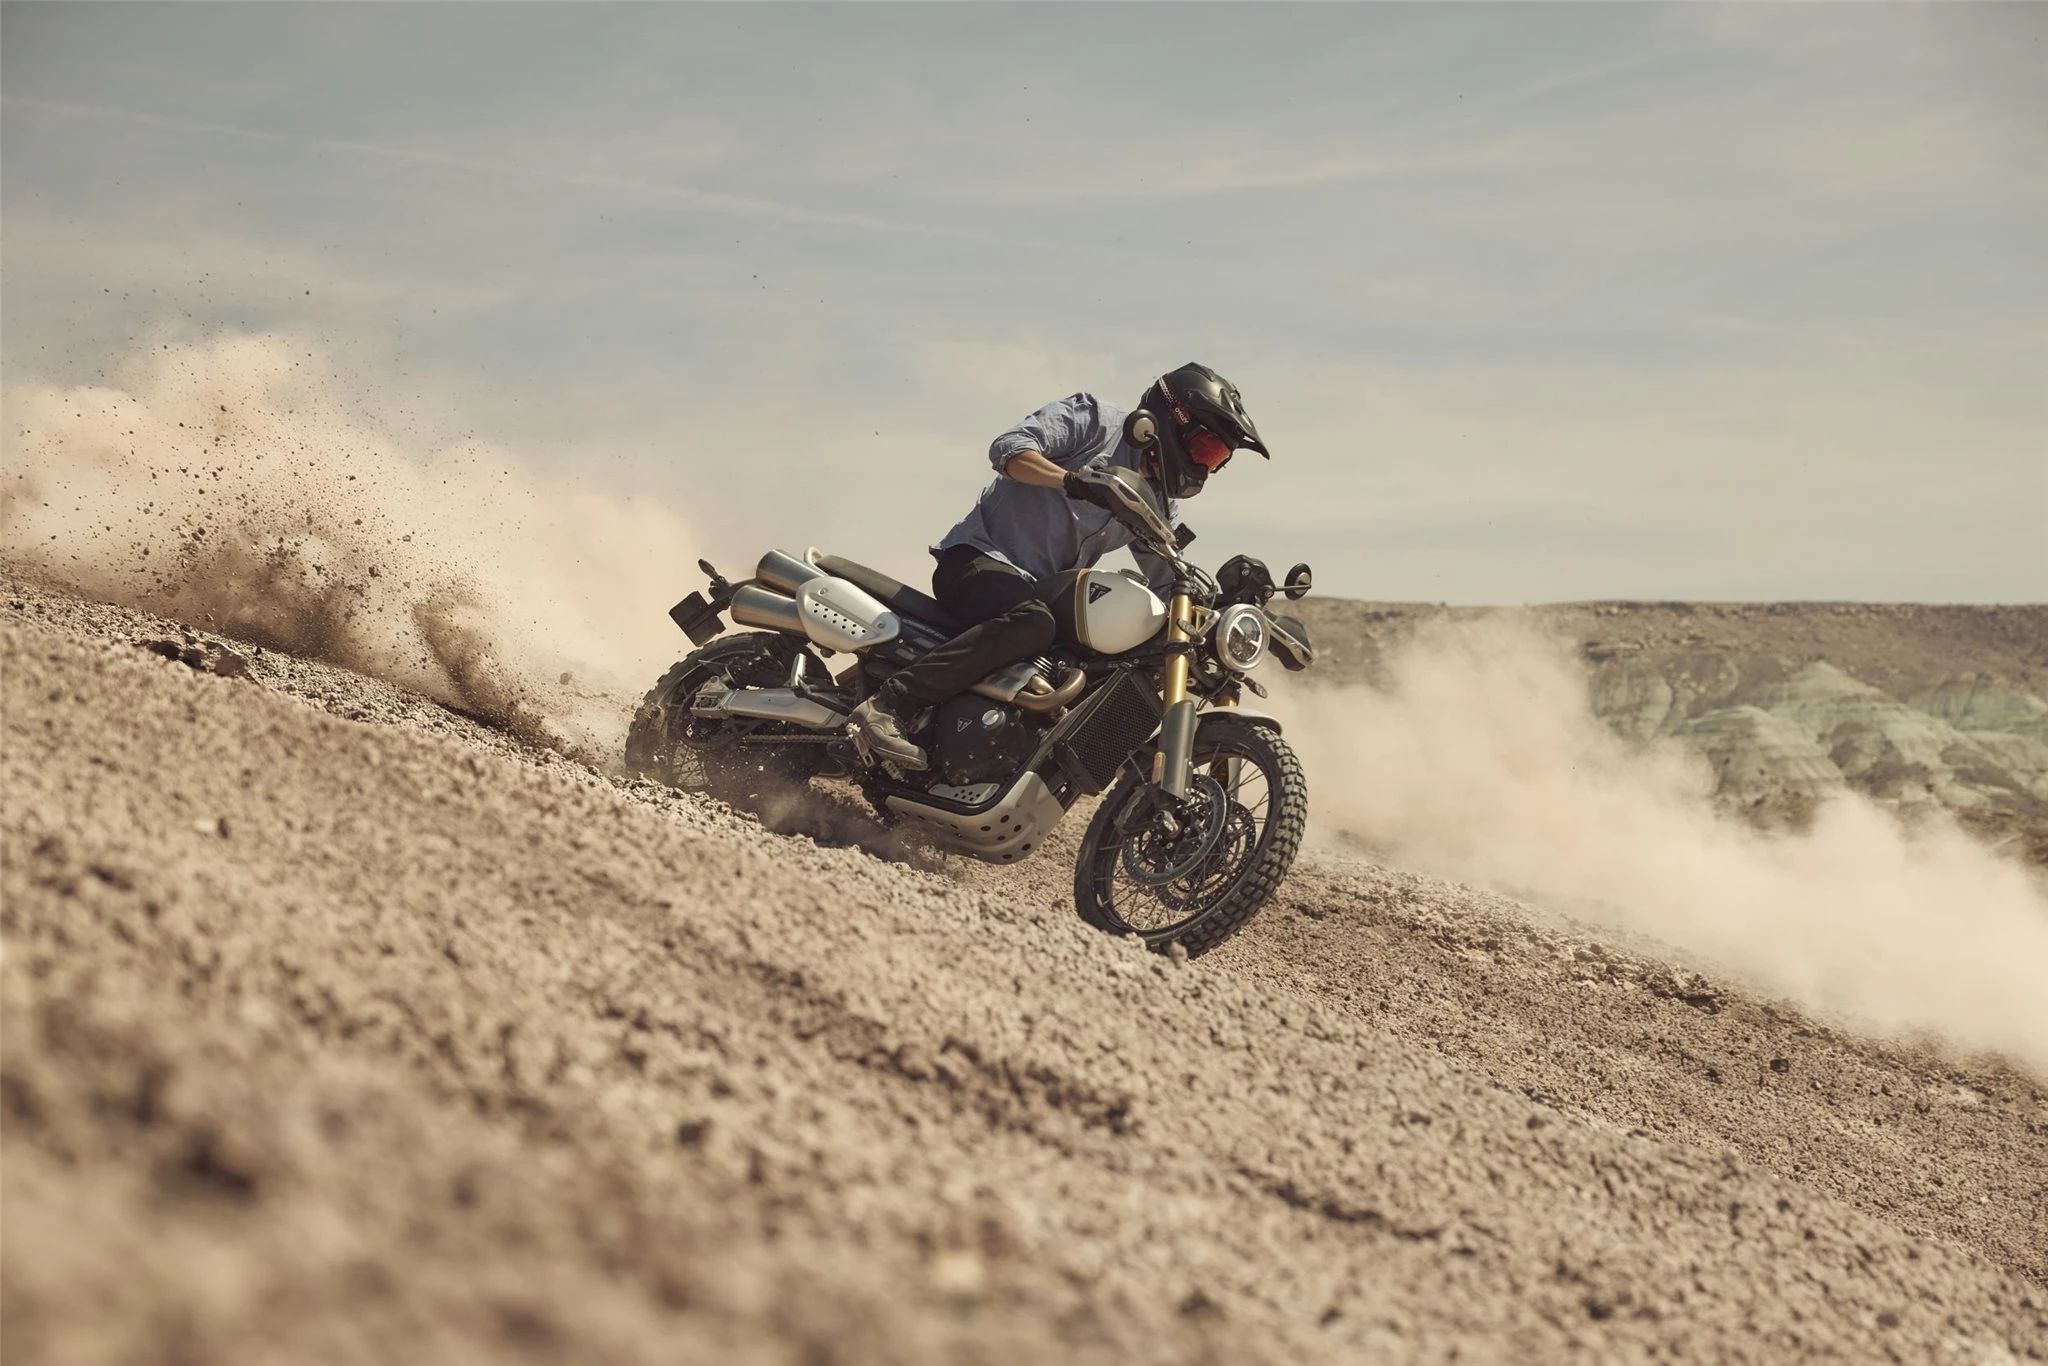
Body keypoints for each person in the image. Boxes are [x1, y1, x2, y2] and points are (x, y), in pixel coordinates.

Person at [849, 362, 1268, 770]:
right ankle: (889, 705)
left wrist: (1224, 606)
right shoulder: (1095, 422)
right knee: (1032, 622)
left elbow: (1168, 576)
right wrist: (1073, 481)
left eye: (1216, 460)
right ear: (1175, 420)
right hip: (978, 560)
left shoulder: (1158, 500)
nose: (1204, 466)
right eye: (1206, 449)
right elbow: (1009, 448)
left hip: (1038, 593)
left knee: (1102, 660)